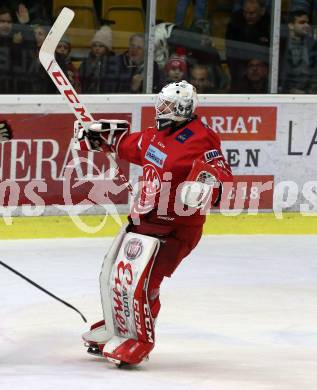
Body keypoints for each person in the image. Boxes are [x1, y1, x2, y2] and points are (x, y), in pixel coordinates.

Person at [73, 80, 233, 366]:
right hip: (143, 220)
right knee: (115, 277)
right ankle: (118, 326)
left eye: (168, 105)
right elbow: (126, 144)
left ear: (184, 109)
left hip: (177, 226)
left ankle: (140, 339)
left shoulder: (202, 138)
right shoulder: (155, 136)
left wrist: (209, 186)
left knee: (146, 283)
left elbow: (220, 174)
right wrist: (98, 138)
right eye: (162, 103)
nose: (162, 109)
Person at [225, 0, 271, 90]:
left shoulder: (272, 22)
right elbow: (231, 50)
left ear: (262, 11)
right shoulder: (235, 20)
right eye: (245, 12)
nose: (247, 16)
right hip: (240, 61)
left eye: (252, 13)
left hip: (263, 61)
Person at [279, 10, 317, 93]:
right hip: (285, 93)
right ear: (291, 25)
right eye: (302, 22)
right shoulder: (281, 44)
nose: (307, 25)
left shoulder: (312, 45)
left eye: (307, 23)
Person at [79, 25, 114, 93]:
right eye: (94, 45)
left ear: (107, 48)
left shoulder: (113, 62)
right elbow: (81, 79)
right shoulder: (86, 62)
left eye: (101, 46)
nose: (97, 48)